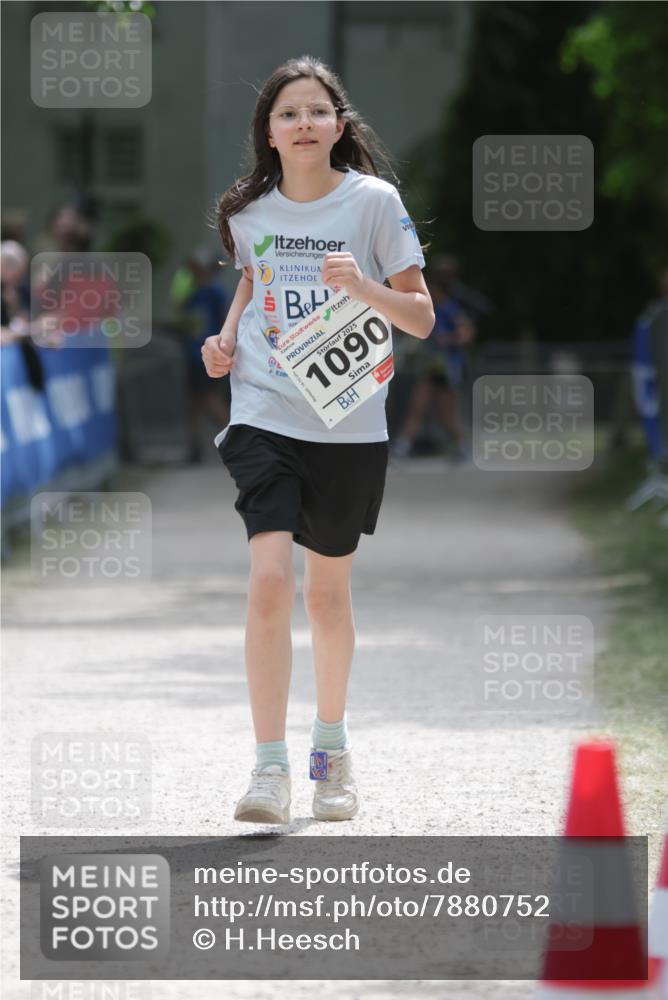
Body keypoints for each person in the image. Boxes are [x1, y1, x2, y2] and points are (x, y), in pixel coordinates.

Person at [201, 55, 433, 825]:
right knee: (270, 580)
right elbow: (253, 274)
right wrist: (227, 334)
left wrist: (361, 287)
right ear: (267, 133)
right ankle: (268, 770)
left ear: (340, 124)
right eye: (287, 113)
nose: (303, 124)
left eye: (316, 110)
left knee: (327, 595)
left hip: (348, 422)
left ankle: (330, 755)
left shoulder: (373, 204)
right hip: (264, 411)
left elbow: (422, 315)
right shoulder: (249, 211)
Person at [391, 255, 475, 462]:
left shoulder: (450, 308)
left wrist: (446, 339)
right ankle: (402, 447)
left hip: (446, 367)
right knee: (417, 407)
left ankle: (462, 447)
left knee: (446, 413)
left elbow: (466, 333)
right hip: (431, 367)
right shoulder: (432, 308)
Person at [170, 250, 231, 463]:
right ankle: (195, 448)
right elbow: (185, 319)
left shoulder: (215, 291)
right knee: (194, 402)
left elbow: (225, 319)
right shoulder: (195, 293)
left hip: (208, 354)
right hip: (193, 353)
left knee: (209, 398)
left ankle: (236, 439)